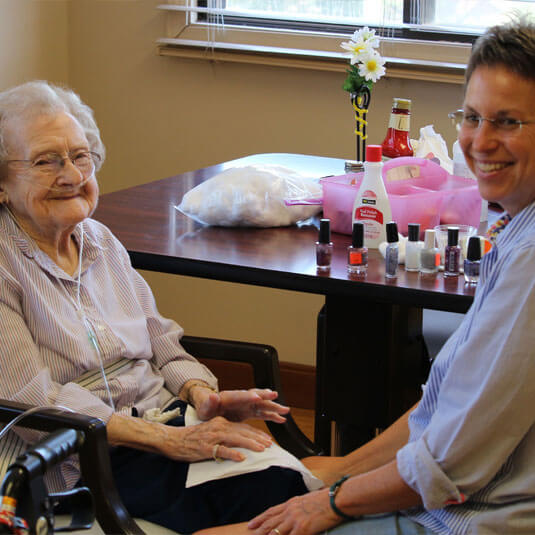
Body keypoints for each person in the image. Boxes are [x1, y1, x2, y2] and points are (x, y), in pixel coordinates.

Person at [197, 18, 535, 535]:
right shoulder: (513, 226)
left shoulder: (530, 261)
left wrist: (333, 502)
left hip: (470, 519)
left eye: (507, 122)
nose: (480, 141)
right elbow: (443, 407)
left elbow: (450, 465)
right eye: (471, 117)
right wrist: (343, 469)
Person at [0, 80, 310, 534]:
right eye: (45, 161)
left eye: (80, 156)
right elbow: (32, 401)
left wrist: (203, 396)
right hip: (80, 457)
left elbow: (160, 340)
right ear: (2, 185)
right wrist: (169, 440)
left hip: (157, 425)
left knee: (291, 491)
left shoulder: (100, 241)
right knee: (281, 502)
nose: (71, 175)